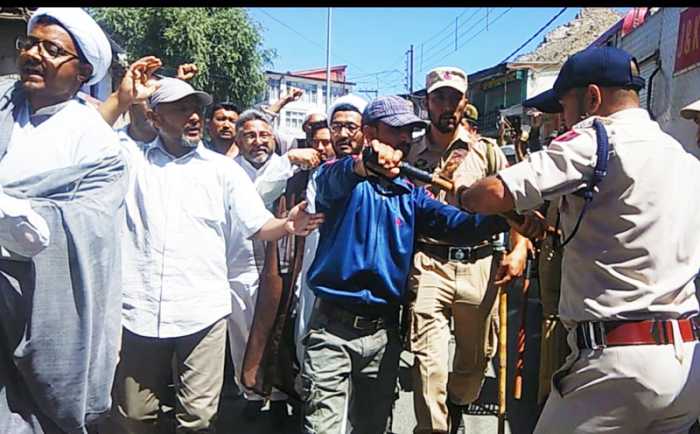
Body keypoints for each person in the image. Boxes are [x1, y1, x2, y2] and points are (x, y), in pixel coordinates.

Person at [457, 46, 700, 434]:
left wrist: (464, 195)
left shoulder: (597, 137)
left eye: (565, 106)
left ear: (592, 98)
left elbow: (494, 193)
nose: (562, 117)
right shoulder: (684, 159)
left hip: (618, 366)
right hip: (686, 365)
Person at [100, 76, 324, 434]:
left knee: (199, 419)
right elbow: (88, 140)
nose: (193, 117)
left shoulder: (222, 170)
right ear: (156, 118)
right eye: (180, 108)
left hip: (203, 312)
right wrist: (122, 99)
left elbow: (257, 223)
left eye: (196, 109)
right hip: (139, 312)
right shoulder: (132, 159)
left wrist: (286, 226)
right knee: (134, 417)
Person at [301, 95, 514, 434]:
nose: (404, 140)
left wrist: (510, 216)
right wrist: (364, 162)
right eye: (395, 131)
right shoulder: (337, 179)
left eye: (410, 133)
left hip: (384, 334)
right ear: (369, 133)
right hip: (331, 331)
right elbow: (335, 178)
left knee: (373, 427)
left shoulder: (409, 193)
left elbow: (459, 226)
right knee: (322, 428)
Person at [0, 7, 127, 434]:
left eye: (52, 49)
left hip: (38, 303)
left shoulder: (97, 143)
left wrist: (24, 216)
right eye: (30, 43)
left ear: (82, 71)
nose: (34, 54)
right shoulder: (2, 104)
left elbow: (90, 226)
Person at [404, 67, 530, 434]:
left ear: (465, 102)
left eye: (454, 98)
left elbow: (515, 207)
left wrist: (520, 248)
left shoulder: (486, 153)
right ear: (427, 102)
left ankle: (457, 407)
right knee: (429, 364)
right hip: (428, 263)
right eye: (439, 97)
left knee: (474, 364)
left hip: (479, 266)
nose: (447, 105)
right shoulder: (410, 153)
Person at [226, 109, 320, 422]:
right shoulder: (228, 171)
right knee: (243, 332)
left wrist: (287, 164)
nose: (258, 142)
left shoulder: (292, 172)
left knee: (280, 326)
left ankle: (280, 393)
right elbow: (250, 203)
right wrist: (287, 161)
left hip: (283, 262)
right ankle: (251, 392)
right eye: (250, 136)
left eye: (264, 135)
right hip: (240, 265)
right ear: (239, 140)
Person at [293, 94, 368, 366]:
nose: (343, 135)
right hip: (323, 277)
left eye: (351, 127)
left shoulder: (384, 175)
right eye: (336, 128)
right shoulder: (325, 174)